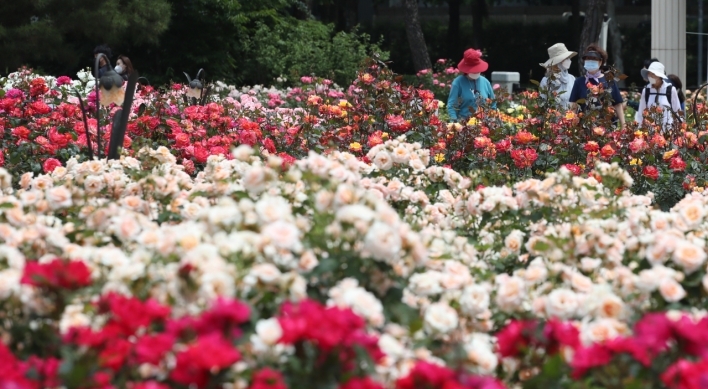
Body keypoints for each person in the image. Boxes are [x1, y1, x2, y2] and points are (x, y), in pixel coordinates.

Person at [568, 43, 625, 128]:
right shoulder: (579, 82)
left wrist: (623, 125)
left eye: (594, 59)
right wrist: (570, 125)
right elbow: (573, 105)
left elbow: (618, 104)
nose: (590, 61)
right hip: (585, 129)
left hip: (606, 128)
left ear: (600, 62)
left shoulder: (608, 80)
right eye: (588, 59)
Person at [447, 48, 496, 122]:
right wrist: (454, 124)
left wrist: (492, 119)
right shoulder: (458, 83)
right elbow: (452, 106)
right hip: (464, 126)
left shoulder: (485, 82)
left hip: (484, 125)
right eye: (473, 71)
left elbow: (493, 104)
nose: (476, 73)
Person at [539, 43, 577, 109]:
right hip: (553, 118)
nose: (569, 60)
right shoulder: (546, 81)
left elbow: (575, 102)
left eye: (569, 58)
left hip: (570, 117)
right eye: (566, 58)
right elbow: (543, 104)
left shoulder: (572, 78)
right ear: (558, 61)